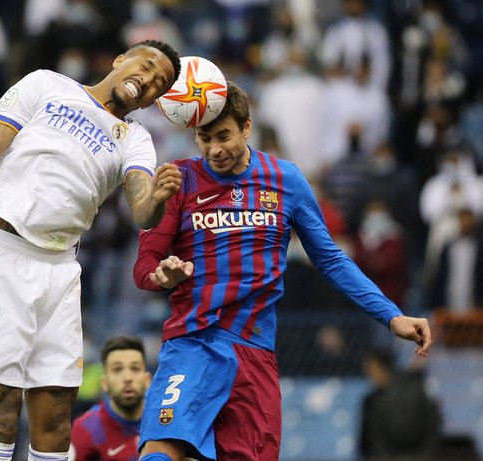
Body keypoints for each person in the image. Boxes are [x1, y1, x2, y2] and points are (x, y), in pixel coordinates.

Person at [0, 39, 182, 461]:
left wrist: (159, 197)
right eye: (148, 65)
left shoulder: (135, 138)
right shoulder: (45, 85)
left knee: (56, 422)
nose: (151, 80)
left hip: (61, 271)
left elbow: (143, 211)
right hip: (1, 253)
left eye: (161, 83)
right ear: (120, 59)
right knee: (1, 412)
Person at [132, 82, 432, 461]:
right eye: (204, 138)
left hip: (254, 351)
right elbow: (144, 267)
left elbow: (331, 259)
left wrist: (391, 316)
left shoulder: (285, 180)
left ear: (247, 127)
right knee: (159, 453)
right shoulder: (179, 179)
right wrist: (162, 274)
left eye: (224, 135)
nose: (215, 149)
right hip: (193, 342)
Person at [69, 336, 151, 461]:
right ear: (105, 383)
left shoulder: (164, 422)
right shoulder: (86, 429)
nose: (127, 378)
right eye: (117, 369)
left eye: (135, 368)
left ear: (147, 380)